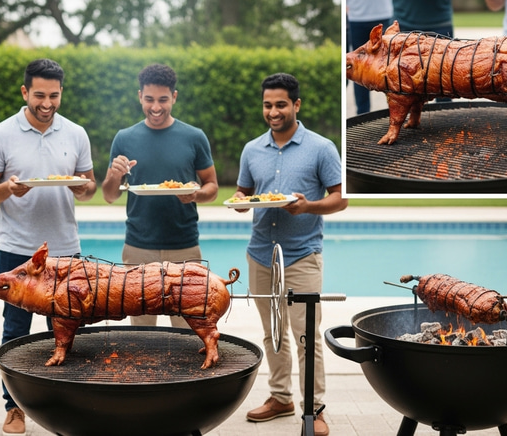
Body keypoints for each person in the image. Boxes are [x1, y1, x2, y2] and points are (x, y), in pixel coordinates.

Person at [0, 58, 96, 436]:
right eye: (40, 95)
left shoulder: (75, 133)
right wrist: (7, 189)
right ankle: (14, 408)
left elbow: (89, 187)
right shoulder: (0, 133)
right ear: (25, 92)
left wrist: (82, 187)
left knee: (66, 326)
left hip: (65, 248)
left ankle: (66, 405)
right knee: (15, 331)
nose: (47, 103)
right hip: (17, 249)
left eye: (54, 95)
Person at [235, 73, 347, 436]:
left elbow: (340, 198)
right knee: (272, 333)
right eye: (268, 105)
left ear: (296, 105)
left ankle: (314, 410)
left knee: (304, 336)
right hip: (260, 254)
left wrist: (308, 206)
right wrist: (239, 203)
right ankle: (280, 397)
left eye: (281, 104)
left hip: (302, 255)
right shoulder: (252, 149)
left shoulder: (321, 148)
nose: (273, 111)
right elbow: (243, 193)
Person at [100, 63, 218, 328]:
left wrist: (195, 194)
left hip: (185, 246)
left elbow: (212, 187)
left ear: (174, 97)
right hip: (138, 246)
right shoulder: (124, 138)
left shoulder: (194, 137)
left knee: (188, 330)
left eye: (163, 100)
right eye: (149, 99)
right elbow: (109, 195)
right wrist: (114, 176)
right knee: (142, 332)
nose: (156, 107)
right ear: (139, 96)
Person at [346, 0, 393, 114]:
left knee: (390, 67)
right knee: (359, 68)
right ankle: (362, 113)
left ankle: (394, 112)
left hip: (384, 14)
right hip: (357, 17)